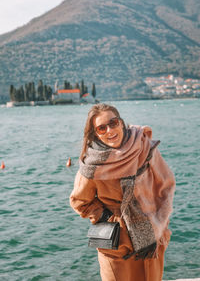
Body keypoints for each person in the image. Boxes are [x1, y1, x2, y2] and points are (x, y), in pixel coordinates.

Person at [70, 103, 175, 281]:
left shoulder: (144, 147)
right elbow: (80, 201)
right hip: (116, 242)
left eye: (113, 123)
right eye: (101, 128)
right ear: (95, 133)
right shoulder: (92, 164)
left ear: (121, 123)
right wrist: (108, 218)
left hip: (151, 239)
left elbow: (166, 186)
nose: (110, 130)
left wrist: (157, 226)